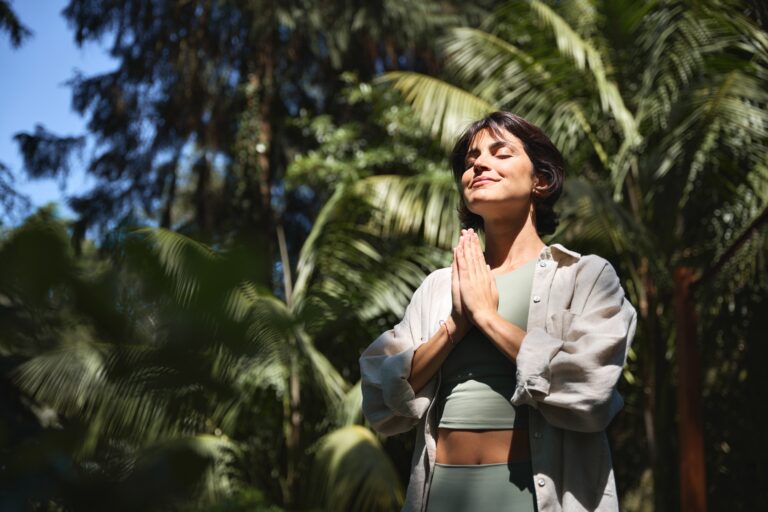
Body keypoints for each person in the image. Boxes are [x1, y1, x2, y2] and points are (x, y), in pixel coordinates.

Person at [359, 111, 637, 512]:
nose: (479, 164)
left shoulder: (584, 277)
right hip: (442, 496)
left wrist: (488, 318)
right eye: (471, 160)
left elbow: (590, 386)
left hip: (533, 497)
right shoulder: (442, 286)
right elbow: (380, 397)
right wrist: (455, 325)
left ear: (540, 180)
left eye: (500, 153)